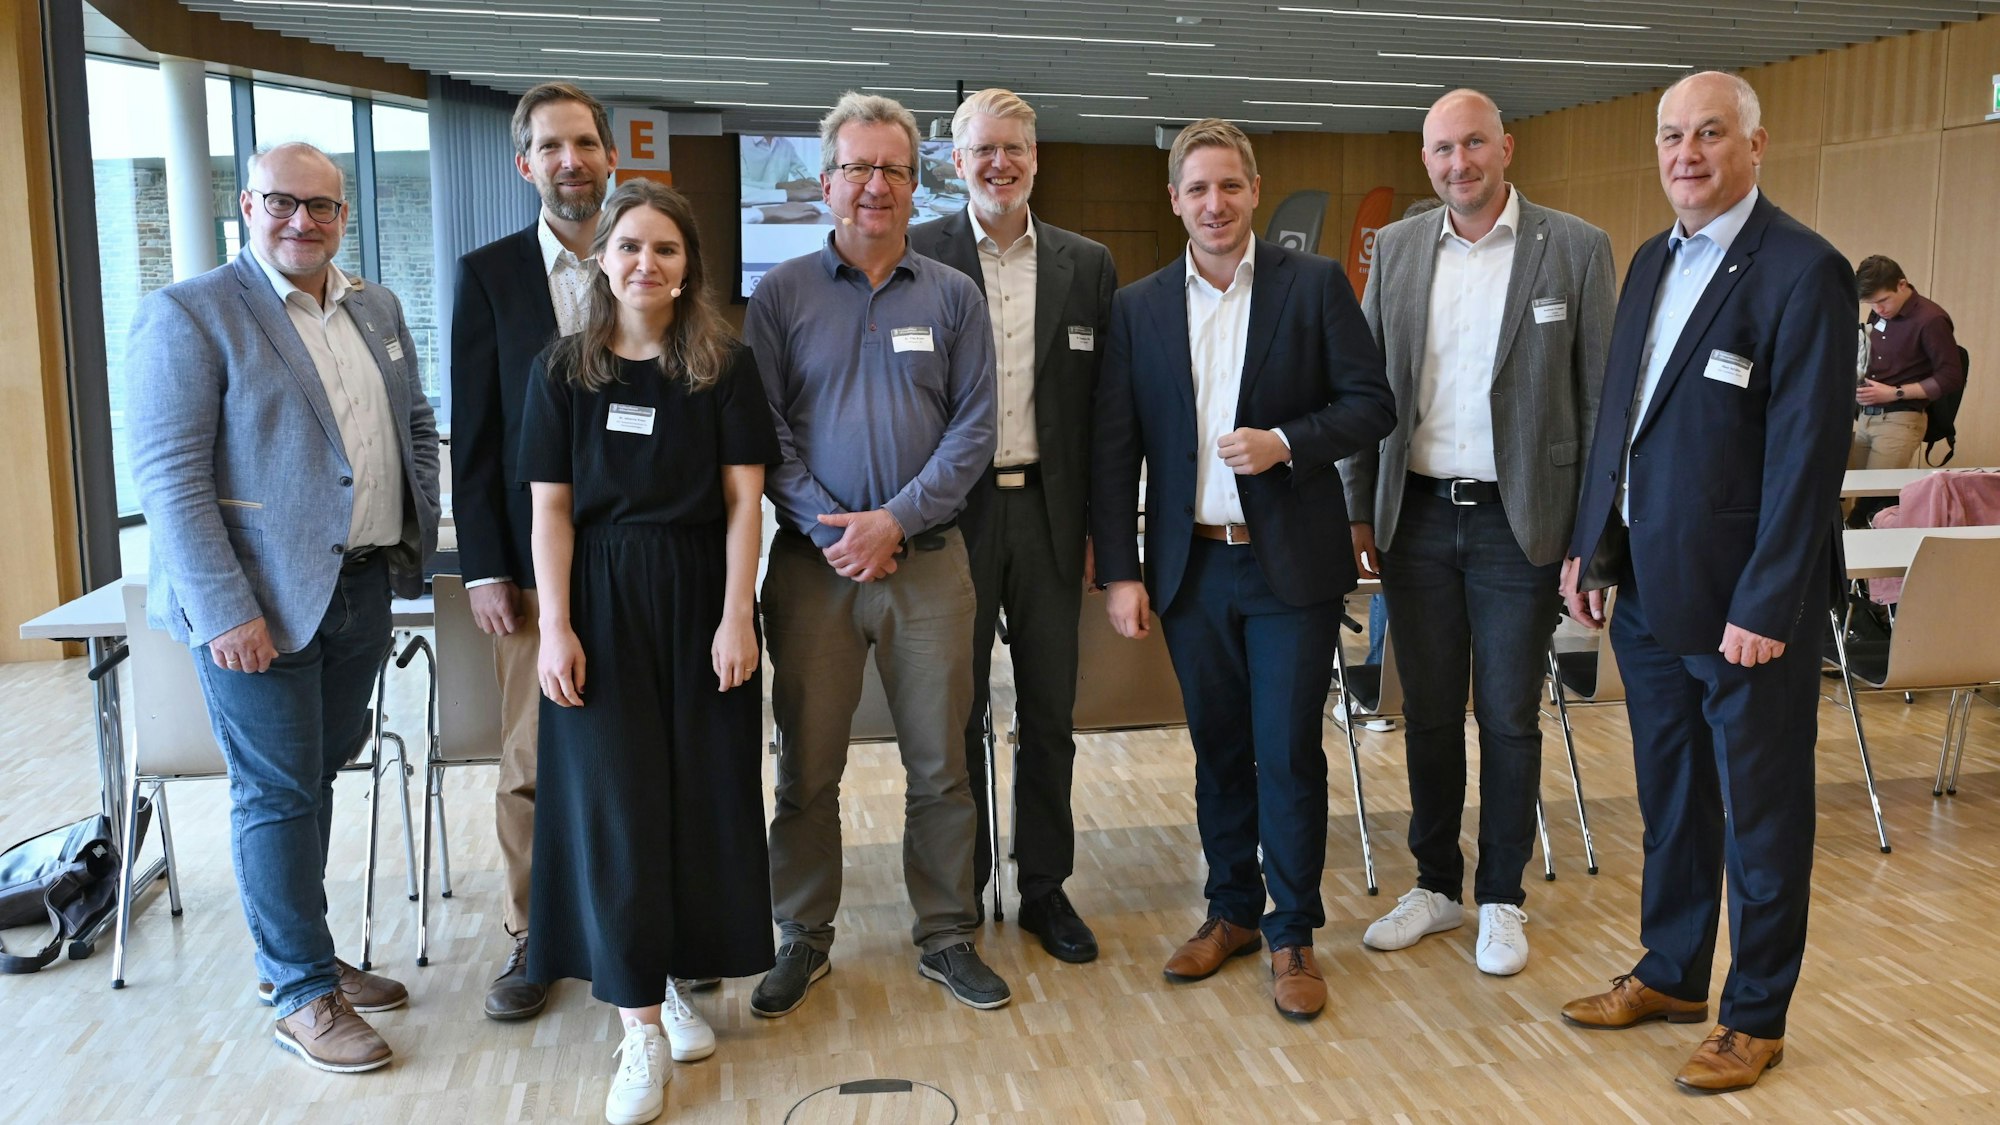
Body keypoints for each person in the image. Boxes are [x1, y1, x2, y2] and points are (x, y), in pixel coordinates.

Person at [1558, 71, 1854, 1094]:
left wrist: (1768, 602)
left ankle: (1753, 1014)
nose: (1684, 154)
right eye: (1669, 136)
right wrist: (1589, 545)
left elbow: (1807, 454)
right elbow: (1619, 420)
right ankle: (1673, 972)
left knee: (1762, 817)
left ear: (1754, 145)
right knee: (1672, 800)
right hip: (1643, 588)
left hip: (1742, 610)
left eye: (1708, 134)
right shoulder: (1648, 259)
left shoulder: (1801, 270)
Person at [128, 141, 440, 1073]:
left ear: (344, 214)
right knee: (274, 789)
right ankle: (302, 991)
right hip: (256, 604)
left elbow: (414, 423)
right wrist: (227, 610)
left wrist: (409, 515)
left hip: (361, 584)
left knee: (319, 776)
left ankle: (304, 955)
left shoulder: (374, 306)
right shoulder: (192, 313)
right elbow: (171, 479)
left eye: (322, 206)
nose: (302, 221)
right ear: (247, 205)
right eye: (281, 202)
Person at [1091, 119, 1395, 1021]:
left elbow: (1369, 403)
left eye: (1229, 186)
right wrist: (1121, 569)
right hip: (1190, 571)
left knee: (1287, 752)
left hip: (1288, 570)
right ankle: (1229, 912)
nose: (1214, 204)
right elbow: (1115, 447)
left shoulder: (1314, 287)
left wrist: (1286, 443)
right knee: (1218, 752)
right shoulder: (1139, 306)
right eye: (1197, 189)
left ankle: (1293, 930)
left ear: (1254, 190)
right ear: (1175, 199)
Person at [518, 180, 778, 1125]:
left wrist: (736, 614)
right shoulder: (562, 372)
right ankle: (637, 1031)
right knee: (616, 803)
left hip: (698, 593)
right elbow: (548, 508)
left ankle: (663, 978)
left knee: (697, 794)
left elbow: (746, 501)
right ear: (602, 258)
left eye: (665, 248)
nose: (645, 263)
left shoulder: (723, 365)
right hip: (599, 602)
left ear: (687, 265)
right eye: (629, 245)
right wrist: (555, 625)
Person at [1339, 89, 1615, 977]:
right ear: (1427, 160)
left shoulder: (1573, 247)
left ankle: (1502, 895)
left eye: (1472, 145)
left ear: (1508, 147)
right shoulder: (1402, 248)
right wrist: (1355, 506)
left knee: (1505, 714)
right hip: (1414, 514)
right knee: (1423, 714)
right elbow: (1369, 388)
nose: (1457, 163)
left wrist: (1595, 537)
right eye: (1441, 150)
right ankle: (1436, 884)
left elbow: (1603, 399)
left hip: (1517, 521)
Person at [745, 92, 1007, 1016]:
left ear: (915, 181)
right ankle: (802, 934)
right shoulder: (779, 297)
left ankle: (945, 932)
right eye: (857, 168)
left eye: (893, 169)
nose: (875, 186)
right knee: (806, 766)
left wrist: (893, 520)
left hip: (930, 563)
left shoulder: (953, 295)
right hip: (813, 571)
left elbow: (976, 429)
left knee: (941, 763)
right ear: (825, 184)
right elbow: (763, 432)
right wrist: (835, 527)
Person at [907, 88, 1117, 962]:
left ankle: (1043, 888)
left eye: (1016, 150)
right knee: (951, 716)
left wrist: (1109, 529)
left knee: (1050, 712)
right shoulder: (918, 253)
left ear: (1038, 159)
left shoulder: (1086, 264)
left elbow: (1108, 413)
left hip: (1049, 516)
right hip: (952, 519)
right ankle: (957, 897)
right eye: (982, 150)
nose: (1000, 163)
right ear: (955, 163)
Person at [451, 82, 635, 1025]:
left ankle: (650, 929)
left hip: (643, 558)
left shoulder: (649, 258)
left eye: (586, 145)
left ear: (612, 157)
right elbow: (474, 435)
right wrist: (485, 566)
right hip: (528, 572)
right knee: (530, 757)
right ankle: (536, 936)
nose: (571, 161)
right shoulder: (488, 275)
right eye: (551, 146)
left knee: (641, 751)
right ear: (526, 163)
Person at [1851, 254, 1964, 469]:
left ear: (1901, 284)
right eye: (1871, 304)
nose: (1878, 310)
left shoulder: (1931, 320)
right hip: (1866, 417)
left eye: (1883, 300)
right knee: (1856, 493)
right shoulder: (1879, 314)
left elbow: (1951, 377)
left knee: (1875, 499)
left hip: (1900, 419)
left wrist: (1895, 392)